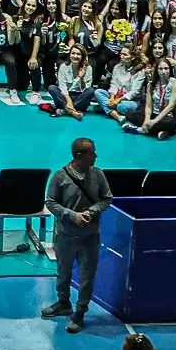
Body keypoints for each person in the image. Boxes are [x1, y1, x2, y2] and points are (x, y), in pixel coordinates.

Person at [43, 136, 110, 333]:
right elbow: (51, 202)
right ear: (80, 155)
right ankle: (63, 302)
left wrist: (91, 212)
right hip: (66, 236)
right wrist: (73, 216)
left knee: (87, 276)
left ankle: (80, 313)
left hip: (90, 236)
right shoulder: (60, 177)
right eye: (91, 152)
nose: (95, 156)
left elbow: (107, 199)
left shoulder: (98, 175)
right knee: (63, 272)